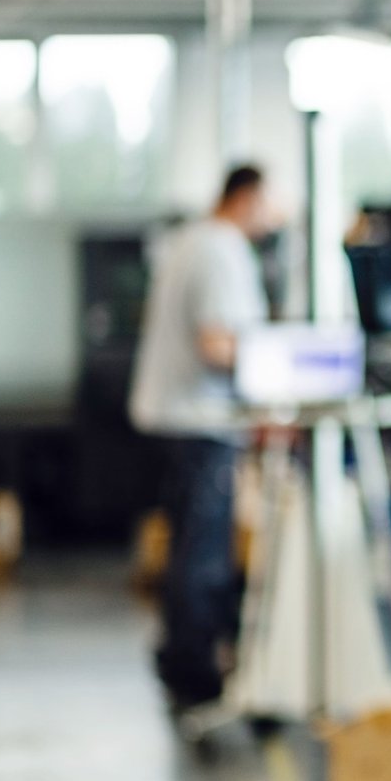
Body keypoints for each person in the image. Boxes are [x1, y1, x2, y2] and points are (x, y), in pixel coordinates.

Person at [129, 165, 272, 731]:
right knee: (203, 552)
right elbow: (216, 343)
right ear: (246, 197)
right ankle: (193, 670)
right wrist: (282, 366)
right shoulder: (217, 250)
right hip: (199, 419)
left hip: (183, 417)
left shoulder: (193, 241)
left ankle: (180, 657)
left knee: (192, 541)